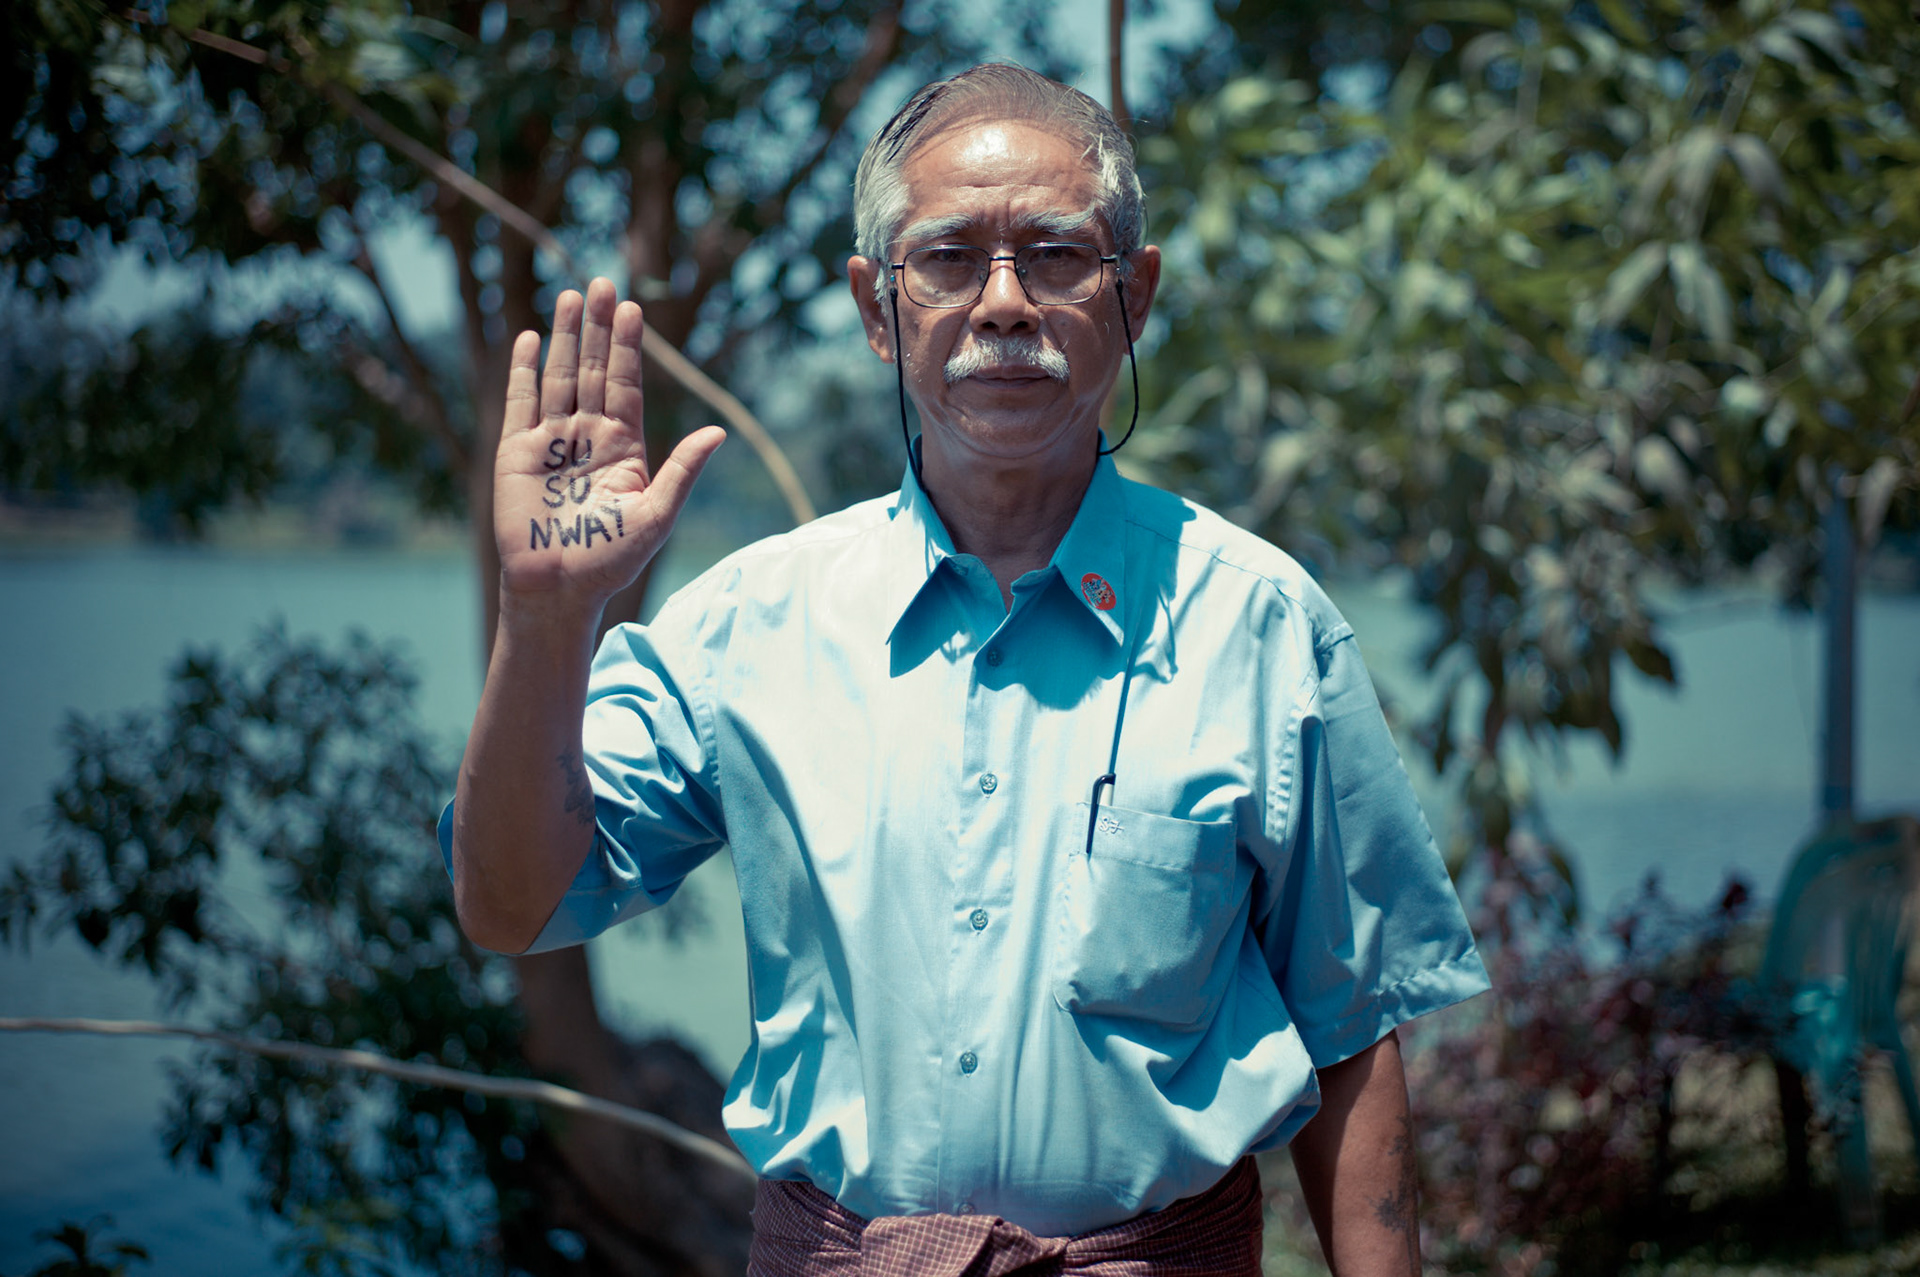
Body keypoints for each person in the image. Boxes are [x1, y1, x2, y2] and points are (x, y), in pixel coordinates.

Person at [445, 63, 1489, 1275]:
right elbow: (511, 903)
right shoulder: (752, 624)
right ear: (876, 307)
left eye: (1054, 255)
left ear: (1134, 296)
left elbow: (1354, 1034)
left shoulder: (1259, 627)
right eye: (946, 258)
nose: (1003, 302)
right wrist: (545, 621)